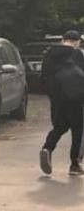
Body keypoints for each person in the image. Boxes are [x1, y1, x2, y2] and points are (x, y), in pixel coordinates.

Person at [40, 30, 84, 176]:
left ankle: (47, 148)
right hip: (75, 98)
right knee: (78, 129)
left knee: (60, 126)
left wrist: (52, 95)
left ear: (63, 40)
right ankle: (74, 164)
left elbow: (44, 77)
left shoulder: (49, 54)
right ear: (77, 42)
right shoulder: (77, 54)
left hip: (57, 98)